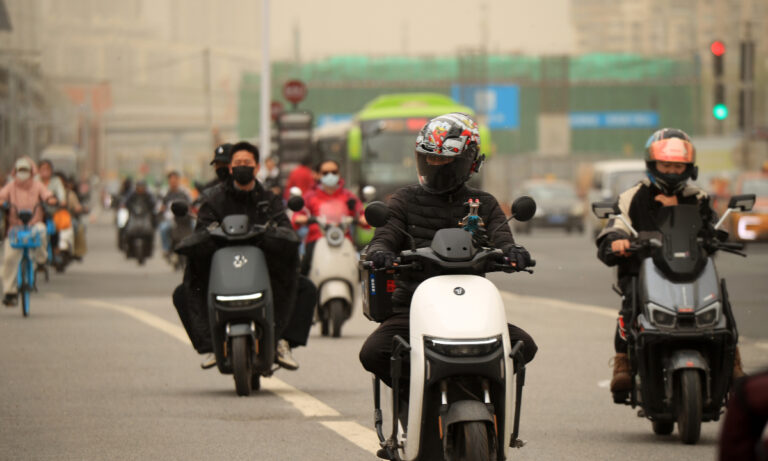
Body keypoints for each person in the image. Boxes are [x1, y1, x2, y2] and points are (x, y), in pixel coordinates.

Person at [358, 113, 538, 391]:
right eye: (429, 158)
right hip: (412, 308)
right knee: (374, 352)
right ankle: (415, 398)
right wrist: (380, 252)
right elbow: (385, 236)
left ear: (469, 161)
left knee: (523, 346)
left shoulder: (485, 204)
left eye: (443, 159)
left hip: (474, 309)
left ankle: (489, 404)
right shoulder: (404, 200)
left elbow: (503, 238)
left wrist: (513, 252)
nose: (434, 165)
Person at [596, 128, 745, 395]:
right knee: (630, 306)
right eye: (666, 165)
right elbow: (614, 227)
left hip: (692, 271)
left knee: (722, 302)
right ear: (653, 165)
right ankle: (623, 363)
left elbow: (715, 227)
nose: (673, 171)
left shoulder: (697, 197)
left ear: (689, 167)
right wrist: (617, 240)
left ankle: (732, 357)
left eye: (678, 166)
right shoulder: (633, 197)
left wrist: (717, 236)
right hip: (644, 272)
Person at [173, 141, 304, 370]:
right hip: (222, 265)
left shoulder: (269, 199)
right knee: (183, 292)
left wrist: (272, 234)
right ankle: (210, 344)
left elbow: (286, 229)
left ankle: (282, 341)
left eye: (248, 163)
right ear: (230, 168)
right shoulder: (213, 200)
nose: (243, 167)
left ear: (257, 167)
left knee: (306, 287)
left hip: (265, 265)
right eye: (238, 163)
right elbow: (201, 230)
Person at [292, 159, 367, 275]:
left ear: (339, 174)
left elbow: (361, 212)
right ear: (317, 175)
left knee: (360, 270)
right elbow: (298, 215)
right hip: (317, 240)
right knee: (303, 272)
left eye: (334, 172)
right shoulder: (310, 197)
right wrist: (300, 218)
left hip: (344, 240)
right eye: (325, 173)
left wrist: (363, 218)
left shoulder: (348, 196)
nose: (330, 175)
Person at [0, 157, 57, 306]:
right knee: (9, 259)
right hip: (16, 229)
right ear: (15, 172)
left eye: (25, 170)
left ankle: (41, 261)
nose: (23, 173)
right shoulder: (10, 187)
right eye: (20, 170)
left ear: (31, 172)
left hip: (34, 226)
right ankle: (10, 292)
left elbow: (47, 195)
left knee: (43, 231)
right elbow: (1, 196)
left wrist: (50, 199)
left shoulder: (37, 186)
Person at [158, 171, 192, 258]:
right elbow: (160, 206)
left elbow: (190, 205)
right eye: (171, 181)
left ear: (178, 180)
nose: (173, 183)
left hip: (184, 220)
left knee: (194, 226)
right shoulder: (165, 194)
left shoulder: (184, 194)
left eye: (175, 180)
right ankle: (166, 249)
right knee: (163, 228)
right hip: (170, 220)